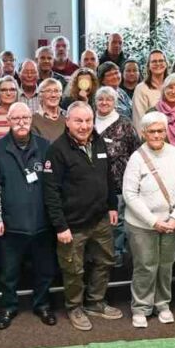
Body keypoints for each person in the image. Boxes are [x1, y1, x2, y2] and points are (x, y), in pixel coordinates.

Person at [43, 102, 122, 331]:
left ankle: (96, 302)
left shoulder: (97, 141)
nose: (84, 125)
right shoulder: (56, 150)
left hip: (100, 219)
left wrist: (112, 205)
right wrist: (60, 226)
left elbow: (107, 176)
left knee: (105, 261)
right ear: (67, 122)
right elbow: (51, 192)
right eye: (78, 120)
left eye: (88, 120)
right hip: (72, 224)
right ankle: (75, 307)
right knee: (74, 270)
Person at [0, 103, 58, 329]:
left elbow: (53, 185)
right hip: (11, 224)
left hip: (42, 223)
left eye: (25, 118)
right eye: (15, 118)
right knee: (8, 272)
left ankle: (42, 305)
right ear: (8, 121)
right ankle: (8, 307)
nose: (21, 122)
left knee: (44, 270)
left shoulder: (46, 146)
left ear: (31, 119)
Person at [123, 111, 175, 328]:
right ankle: (141, 307)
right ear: (143, 133)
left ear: (166, 131)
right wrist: (153, 221)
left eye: (160, 130)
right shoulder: (136, 158)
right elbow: (130, 194)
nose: (156, 135)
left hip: (172, 222)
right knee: (145, 266)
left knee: (165, 265)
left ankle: (162, 304)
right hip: (143, 225)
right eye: (151, 131)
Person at [95, 86, 141, 270]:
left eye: (109, 99)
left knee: (118, 221)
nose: (104, 102)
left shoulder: (126, 124)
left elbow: (136, 152)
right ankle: (98, 257)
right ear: (95, 102)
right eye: (100, 99)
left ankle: (117, 256)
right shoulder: (88, 122)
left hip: (119, 182)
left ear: (115, 102)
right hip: (93, 184)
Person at [131, 50, 169, 133]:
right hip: (151, 138)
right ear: (148, 66)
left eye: (161, 61)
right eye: (154, 61)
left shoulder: (172, 87)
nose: (158, 64)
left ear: (166, 64)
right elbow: (139, 120)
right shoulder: (141, 89)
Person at [31, 78, 67, 142]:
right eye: (48, 91)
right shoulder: (33, 120)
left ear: (61, 94)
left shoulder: (68, 116)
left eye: (56, 91)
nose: (53, 95)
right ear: (40, 95)